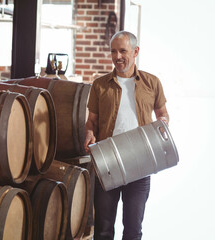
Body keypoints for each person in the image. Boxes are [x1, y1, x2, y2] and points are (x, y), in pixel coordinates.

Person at [84, 31, 169, 240]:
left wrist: (163, 124)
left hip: (141, 164)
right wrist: (88, 132)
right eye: (113, 51)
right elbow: (92, 121)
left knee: (133, 230)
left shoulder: (152, 83)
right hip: (108, 164)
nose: (117, 56)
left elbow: (163, 115)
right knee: (103, 230)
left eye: (123, 51)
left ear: (136, 51)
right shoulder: (100, 84)